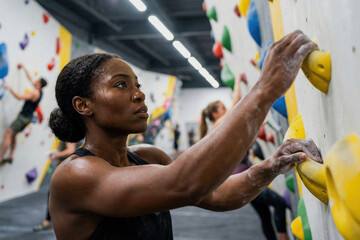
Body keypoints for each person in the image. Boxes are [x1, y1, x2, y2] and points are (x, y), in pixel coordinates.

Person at [48, 30, 322, 240]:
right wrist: (264, 90)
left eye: (137, 84)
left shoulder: (147, 156)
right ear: (83, 105)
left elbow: (218, 195)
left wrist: (268, 167)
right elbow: (185, 183)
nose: (139, 94)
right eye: (121, 85)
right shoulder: (75, 175)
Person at [200, 60, 289, 240]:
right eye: (222, 108)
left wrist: (258, 126)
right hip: (242, 178)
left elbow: (240, 138)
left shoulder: (222, 130)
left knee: (265, 215)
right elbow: (236, 104)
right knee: (279, 204)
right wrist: (239, 82)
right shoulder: (218, 124)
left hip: (241, 175)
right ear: (216, 114)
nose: (226, 110)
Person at [0, 63, 47, 164]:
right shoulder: (40, 92)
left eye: (37, 81)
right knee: (13, 135)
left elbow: (20, 97)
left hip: (23, 117)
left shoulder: (34, 93)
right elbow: (30, 78)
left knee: (8, 133)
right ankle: (11, 156)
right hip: (27, 118)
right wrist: (24, 67)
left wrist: (9, 88)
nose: (35, 81)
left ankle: (0, 157)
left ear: (39, 84)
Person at [33, 141, 77, 232]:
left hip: (67, 170)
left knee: (57, 196)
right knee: (53, 195)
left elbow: (70, 150)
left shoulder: (68, 136)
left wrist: (56, 155)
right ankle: (48, 222)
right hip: (63, 169)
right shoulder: (63, 137)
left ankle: (49, 222)